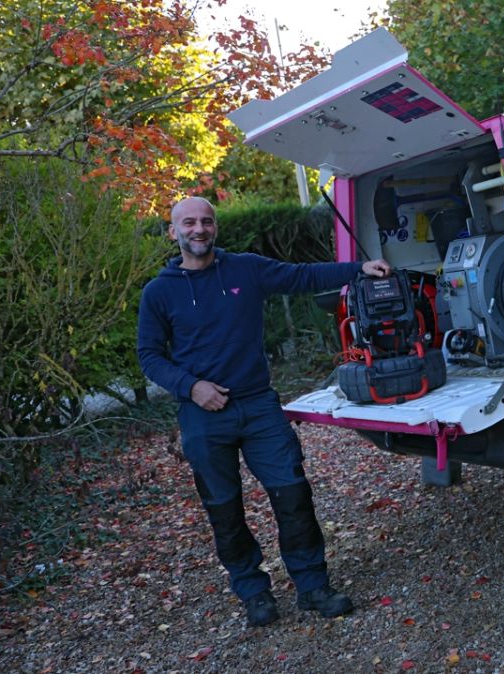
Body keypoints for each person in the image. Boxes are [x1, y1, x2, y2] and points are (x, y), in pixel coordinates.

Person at [137, 196, 391, 627]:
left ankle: (312, 586)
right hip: (203, 416)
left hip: (258, 406)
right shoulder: (159, 292)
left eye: (206, 222)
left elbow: (302, 276)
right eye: (189, 223)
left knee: (292, 494)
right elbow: (149, 356)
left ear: (214, 227)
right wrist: (192, 387)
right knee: (225, 509)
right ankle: (254, 592)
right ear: (173, 231)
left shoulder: (245, 269)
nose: (198, 229)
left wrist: (356, 269)